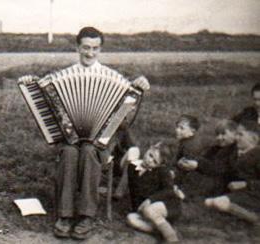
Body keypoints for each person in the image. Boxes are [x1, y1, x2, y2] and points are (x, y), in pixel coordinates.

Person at [19, 27, 150, 240]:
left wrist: (140, 85)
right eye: (86, 48)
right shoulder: (63, 76)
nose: (90, 53)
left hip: (100, 144)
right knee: (71, 152)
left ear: (101, 49)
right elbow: (42, 93)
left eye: (95, 48)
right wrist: (29, 82)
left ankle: (86, 215)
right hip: (70, 140)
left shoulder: (114, 78)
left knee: (89, 150)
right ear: (77, 47)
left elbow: (124, 120)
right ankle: (65, 215)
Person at [204, 125, 260, 237]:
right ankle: (241, 216)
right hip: (242, 193)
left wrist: (245, 184)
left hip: (255, 194)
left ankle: (256, 220)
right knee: (208, 202)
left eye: (241, 135)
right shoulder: (238, 153)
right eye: (237, 134)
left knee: (218, 202)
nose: (236, 138)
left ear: (253, 139)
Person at [125, 143, 182, 243]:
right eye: (150, 155)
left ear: (160, 165)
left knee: (149, 210)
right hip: (148, 208)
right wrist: (137, 207)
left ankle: (172, 239)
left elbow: (169, 191)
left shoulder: (162, 172)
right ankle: (162, 229)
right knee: (131, 218)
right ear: (149, 149)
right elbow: (134, 191)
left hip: (166, 204)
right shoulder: (133, 167)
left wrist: (150, 200)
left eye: (154, 161)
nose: (149, 160)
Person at [176, 119, 238, 198]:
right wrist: (188, 162)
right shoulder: (215, 148)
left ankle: (185, 193)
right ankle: (179, 188)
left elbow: (221, 169)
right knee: (191, 172)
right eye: (217, 134)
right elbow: (203, 159)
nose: (219, 137)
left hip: (222, 181)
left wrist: (198, 164)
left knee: (206, 179)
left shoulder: (234, 151)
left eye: (223, 134)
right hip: (209, 175)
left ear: (234, 134)